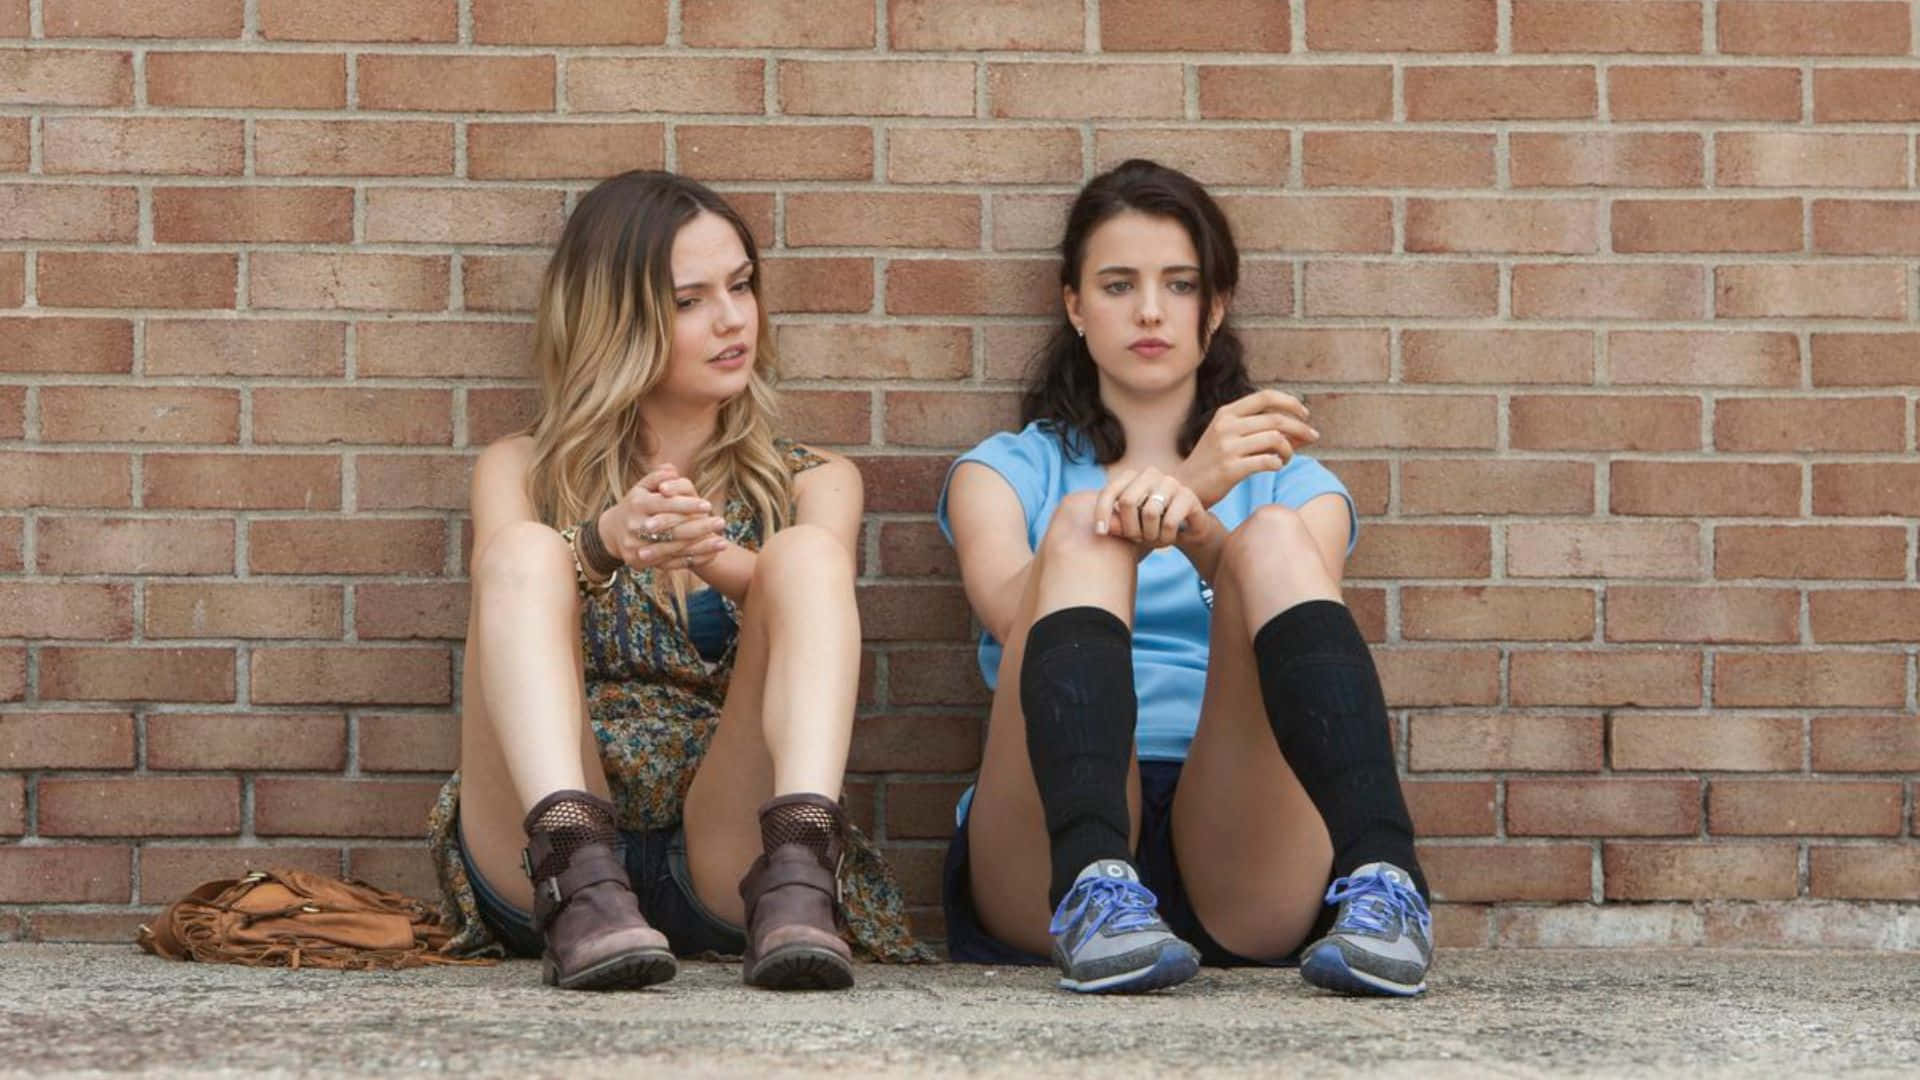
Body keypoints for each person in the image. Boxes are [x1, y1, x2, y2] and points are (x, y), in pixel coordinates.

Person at [937, 159, 1431, 996]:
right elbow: (1012, 615)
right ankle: (1098, 884)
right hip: (1049, 844)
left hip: (1245, 836)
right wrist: (1180, 492)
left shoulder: (1293, 479)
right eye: (1119, 285)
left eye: (1180, 283)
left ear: (1216, 306)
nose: (1152, 311)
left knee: (1271, 539)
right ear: (1074, 305)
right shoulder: (1002, 470)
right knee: (1081, 531)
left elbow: (1311, 661)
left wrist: (1198, 519)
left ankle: (1388, 878)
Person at [426, 170, 929, 991]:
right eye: (690, 300)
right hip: (549, 844)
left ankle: (802, 871)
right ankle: (581, 875)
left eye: (740, 286)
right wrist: (601, 540)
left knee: (806, 559)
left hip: (729, 845)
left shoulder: (816, 480)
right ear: (618, 319)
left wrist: (713, 557)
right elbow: (511, 604)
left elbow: (809, 616)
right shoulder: (520, 467)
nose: (733, 319)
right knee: (521, 552)